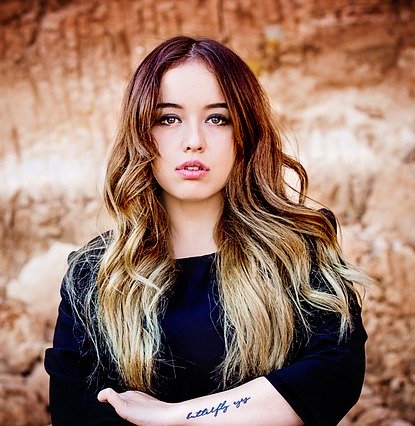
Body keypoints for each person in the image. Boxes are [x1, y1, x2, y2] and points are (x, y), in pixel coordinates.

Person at [44, 35, 375, 426]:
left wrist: (174, 416)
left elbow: (333, 375)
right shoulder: (94, 272)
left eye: (218, 118)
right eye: (168, 119)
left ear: (245, 132)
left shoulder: (299, 248)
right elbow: (74, 412)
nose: (194, 142)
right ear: (140, 132)